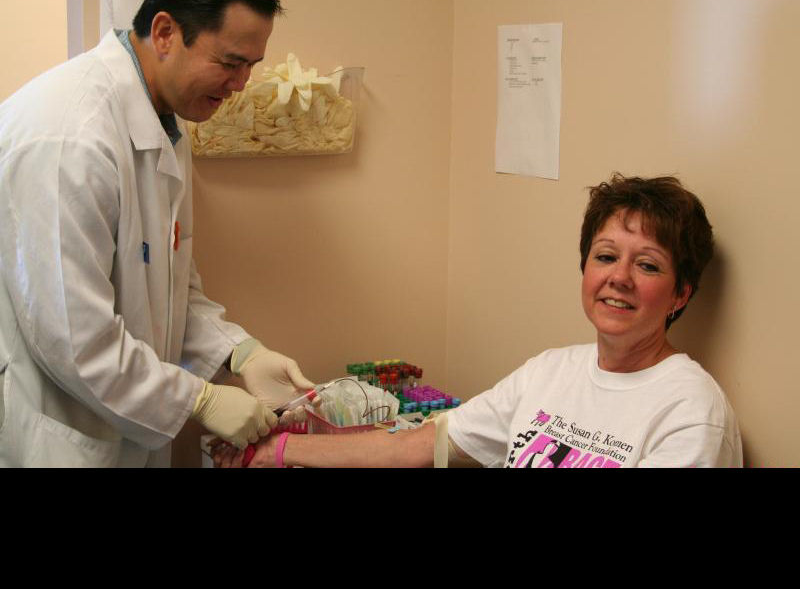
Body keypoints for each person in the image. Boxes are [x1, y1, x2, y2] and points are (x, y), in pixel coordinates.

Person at [0, 0, 315, 467]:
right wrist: (198, 400)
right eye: (230, 63)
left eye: (252, 65)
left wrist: (240, 352)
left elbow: (169, 287)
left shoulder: (166, 122)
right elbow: (76, 342)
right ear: (165, 32)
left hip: (127, 435)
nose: (241, 84)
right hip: (59, 436)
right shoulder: (69, 136)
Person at [214, 173, 742, 468]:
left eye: (647, 265)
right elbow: (420, 444)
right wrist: (279, 449)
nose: (619, 278)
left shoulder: (691, 411)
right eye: (605, 257)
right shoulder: (551, 371)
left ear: (681, 293)